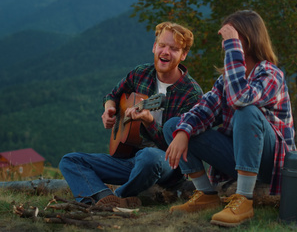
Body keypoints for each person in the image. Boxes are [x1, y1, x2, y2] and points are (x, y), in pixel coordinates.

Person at [163, 10, 296, 227]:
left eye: (231, 38)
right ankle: (206, 194)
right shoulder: (225, 80)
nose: (225, 45)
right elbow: (202, 110)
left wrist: (233, 47)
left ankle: (244, 198)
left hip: (270, 163)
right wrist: (183, 132)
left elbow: (241, 98)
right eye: (226, 40)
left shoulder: (271, 74)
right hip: (238, 157)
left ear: (249, 38)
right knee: (175, 126)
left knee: (246, 109)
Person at [59, 21, 203, 208]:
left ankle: (118, 196)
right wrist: (109, 109)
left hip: (164, 164)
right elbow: (112, 95)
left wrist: (149, 121)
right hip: (128, 161)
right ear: (154, 47)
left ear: (183, 55)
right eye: (162, 45)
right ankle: (104, 199)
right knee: (70, 160)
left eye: (174, 49)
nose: (165, 52)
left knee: (149, 156)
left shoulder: (191, 94)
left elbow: (179, 148)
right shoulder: (140, 73)